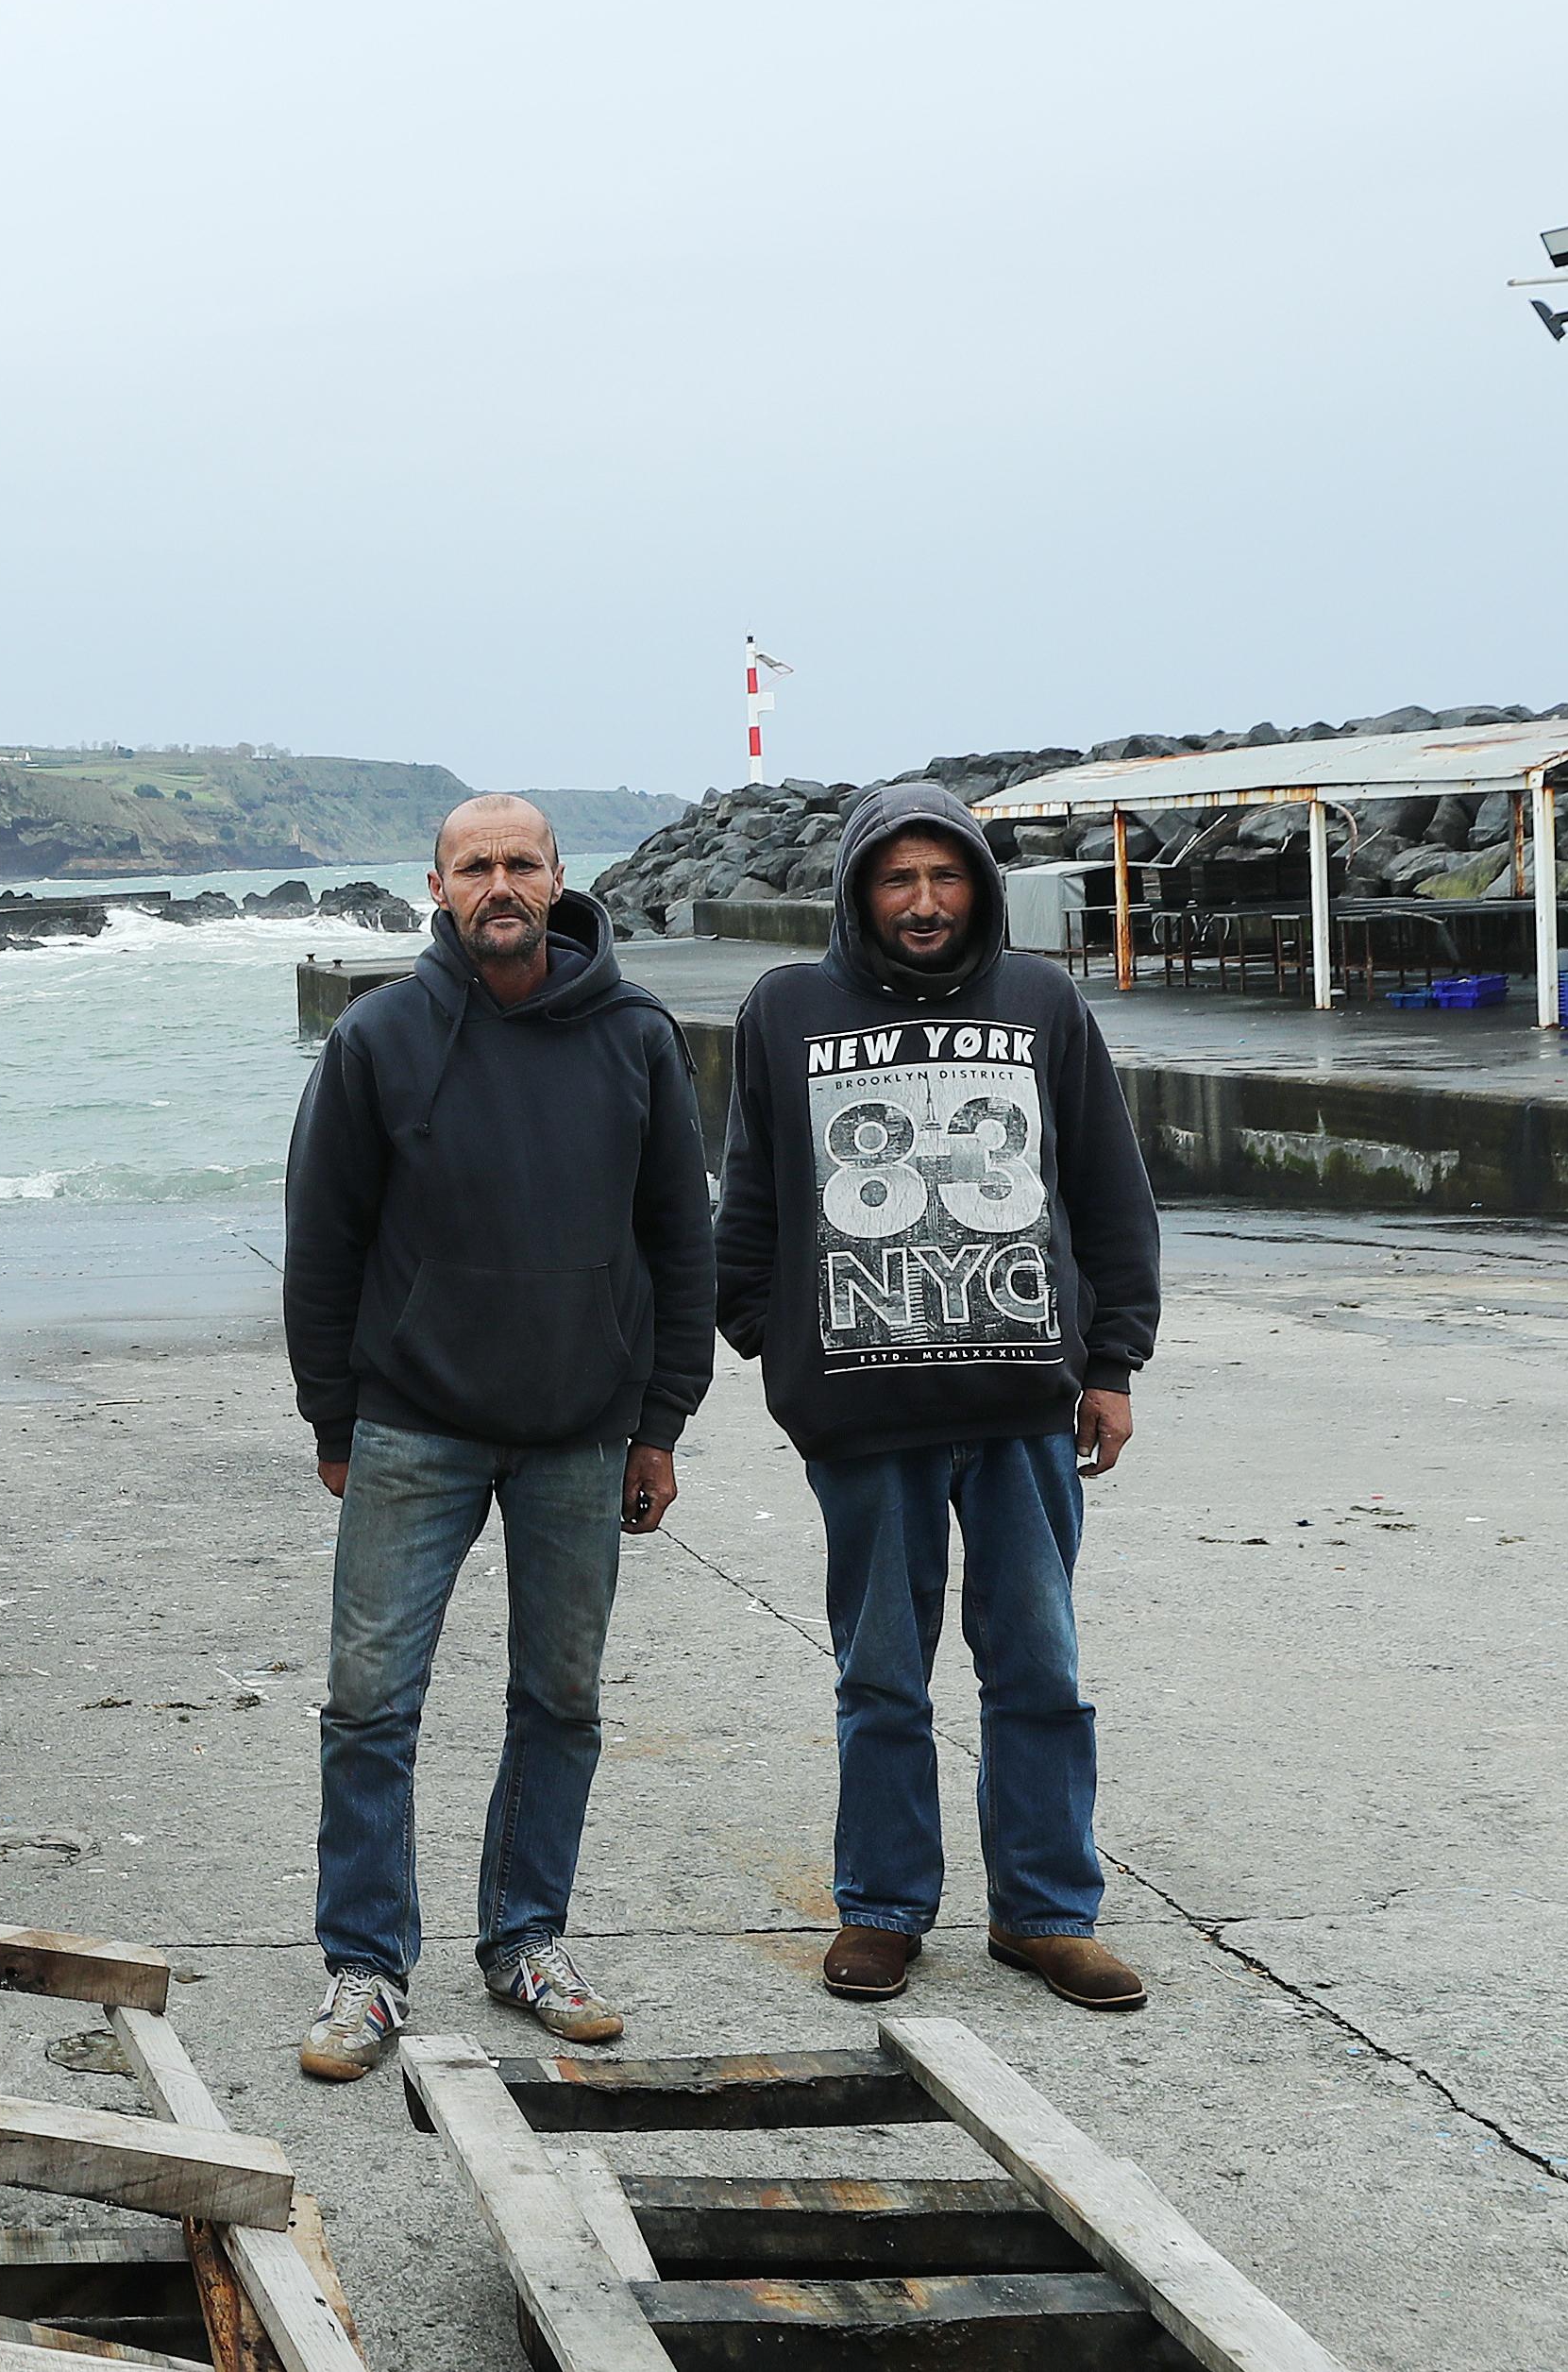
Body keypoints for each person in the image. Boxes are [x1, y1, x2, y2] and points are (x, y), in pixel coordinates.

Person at [281, 796, 715, 2081]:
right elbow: (326, 1240)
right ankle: (364, 1968)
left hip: (584, 1434)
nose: (500, 885)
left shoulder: (635, 1038)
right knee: (369, 1706)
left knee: (560, 1701)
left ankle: (526, 1940)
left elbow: (677, 1245)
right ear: (436, 885)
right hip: (412, 1427)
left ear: (560, 879)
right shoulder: (378, 1038)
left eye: (522, 863)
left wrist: (660, 1423)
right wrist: (331, 1413)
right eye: (475, 867)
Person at [715, 782, 1161, 2012]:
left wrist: (1111, 1362)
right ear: (861, 890)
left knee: (1037, 1672)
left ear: (978, 885)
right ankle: (885, 1908)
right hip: (862, 1420)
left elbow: (1112, 1196)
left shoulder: (1043, 1004)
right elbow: (747, 1197)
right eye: (897, 880)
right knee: (880, 1675)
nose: (923, 902)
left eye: (944, 877)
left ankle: (1045, 1914)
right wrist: (776, 1341)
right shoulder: (786, 1009)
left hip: (1024, 1411)